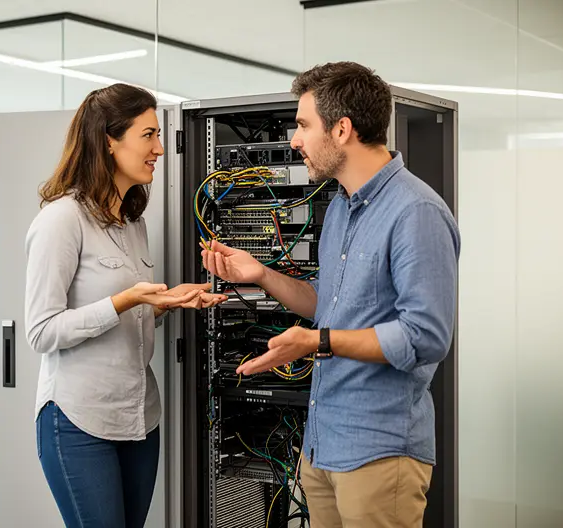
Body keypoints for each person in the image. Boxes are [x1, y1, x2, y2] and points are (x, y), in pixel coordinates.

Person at [202, 62, 460, 528]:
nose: (294, 140)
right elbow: (328, 302)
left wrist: (318, 342)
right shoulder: (341, 207)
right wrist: (261, 274)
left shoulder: (416, 212)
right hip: (324, 446)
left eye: (303, 125)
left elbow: (426, 337)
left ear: (342, 130)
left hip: (380, 453)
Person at [25, 83, 226, 528]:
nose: (158, 148)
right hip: (78, 421)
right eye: (148, 136)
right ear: (109, 141)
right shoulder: (61, 220)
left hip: (139, 418)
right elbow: (41, 332)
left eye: (158, 135)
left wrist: (165, 303)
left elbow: (129, 317)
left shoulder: (134, 223)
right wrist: (125, 299)